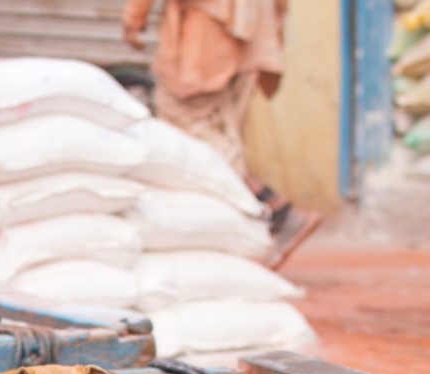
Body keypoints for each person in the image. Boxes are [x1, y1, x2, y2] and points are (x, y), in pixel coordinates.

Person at [122, 0, 321, 268]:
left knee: (192, 134)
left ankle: (277, 209)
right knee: (224, 135)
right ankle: (253, 229)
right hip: (251, 33)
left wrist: (134, 17)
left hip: (207, 35)